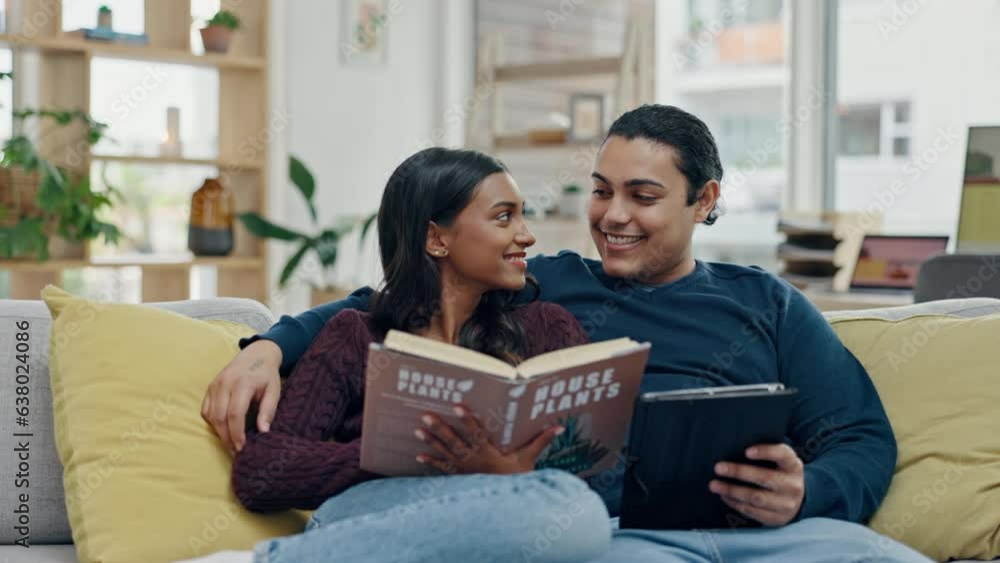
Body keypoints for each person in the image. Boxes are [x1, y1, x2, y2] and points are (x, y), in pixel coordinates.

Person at [204, 105, 931, 562]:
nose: (613, 215)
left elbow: (863, 438)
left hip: (776, 534)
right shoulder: (548, 280)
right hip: (622, 534)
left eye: (643, 196)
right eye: (601, 189)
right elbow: (395, 300)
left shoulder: (766, 302)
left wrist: (806, 493)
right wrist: (271, 341)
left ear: (704, 201)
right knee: (573, 521)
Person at [182, 148, 612, 563]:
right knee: (576, 515)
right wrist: (422, 458)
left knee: (574, 509)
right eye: (504, 217)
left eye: (523, 214)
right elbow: (262, 473)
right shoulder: (356, 337)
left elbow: (590, 468)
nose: (526, 235)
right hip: (378, 517)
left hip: (505, 517)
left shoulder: (547, 329)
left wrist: (504, 474)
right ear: (436, 237)